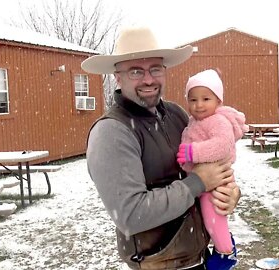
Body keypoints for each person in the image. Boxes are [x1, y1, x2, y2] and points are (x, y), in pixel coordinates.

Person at [81, 26, 241, 270]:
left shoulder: (176, 114)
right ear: (118, 77)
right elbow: (131, 215)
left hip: (199, 259)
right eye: (136, 71)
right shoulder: (112, 132)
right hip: (159, 265)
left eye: (155, 68)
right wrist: (198, 183)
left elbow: (211, 165)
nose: (148, 79)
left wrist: (230, 195)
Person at [176, 69, 248, 270]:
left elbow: (222, 145)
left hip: (216, 182)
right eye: (193, 100)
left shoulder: (218, 121)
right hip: (203, 179)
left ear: (218, 101)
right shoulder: (194, 122)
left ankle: (225, 253)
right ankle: (223, 246)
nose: (199, 105)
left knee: (213, 217)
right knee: (209, 218)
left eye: (206, 98)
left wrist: (193, 153)